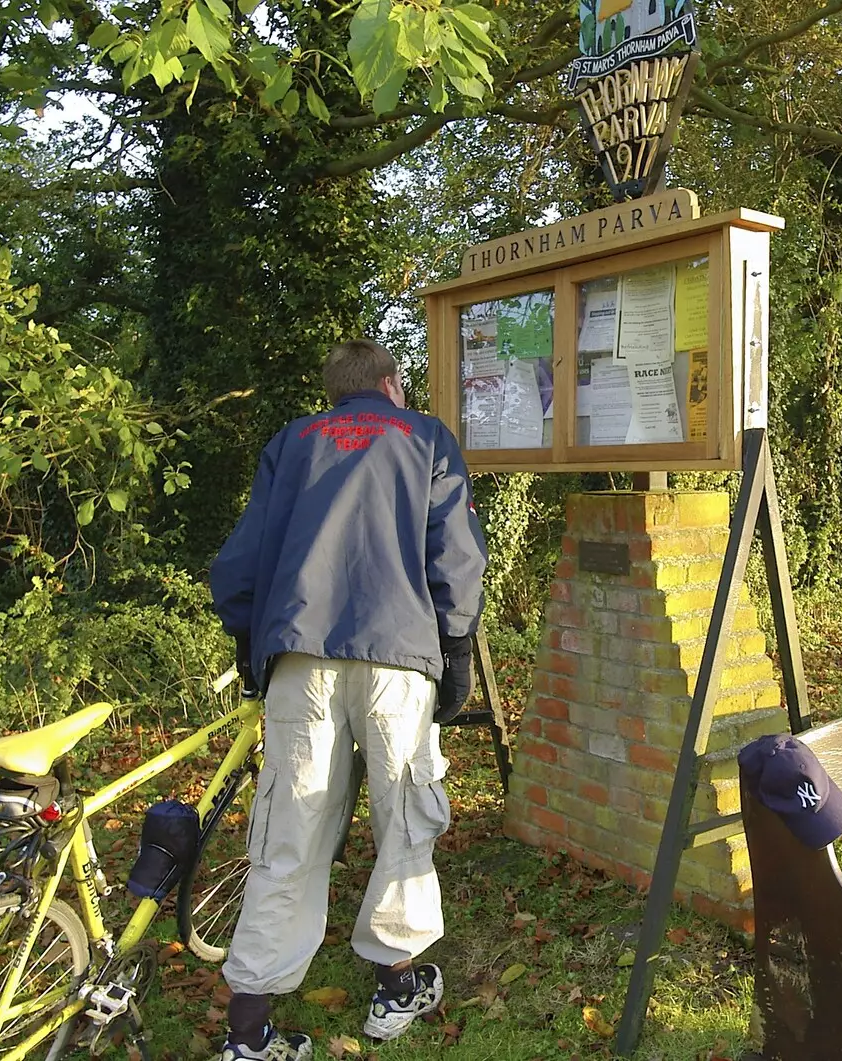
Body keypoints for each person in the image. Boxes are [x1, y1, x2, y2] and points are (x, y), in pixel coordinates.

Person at [209, 339, 488, 1061]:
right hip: (398, 655)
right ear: (393, 384)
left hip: (300, 656)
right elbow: (455, 556)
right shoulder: (425, 437)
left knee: (289, 831)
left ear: (333, 393)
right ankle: (397, 982)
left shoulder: (292, 442)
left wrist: (252, 643)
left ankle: (249, 1029)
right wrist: (455, 650)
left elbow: (240, 564)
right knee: (403, 816)